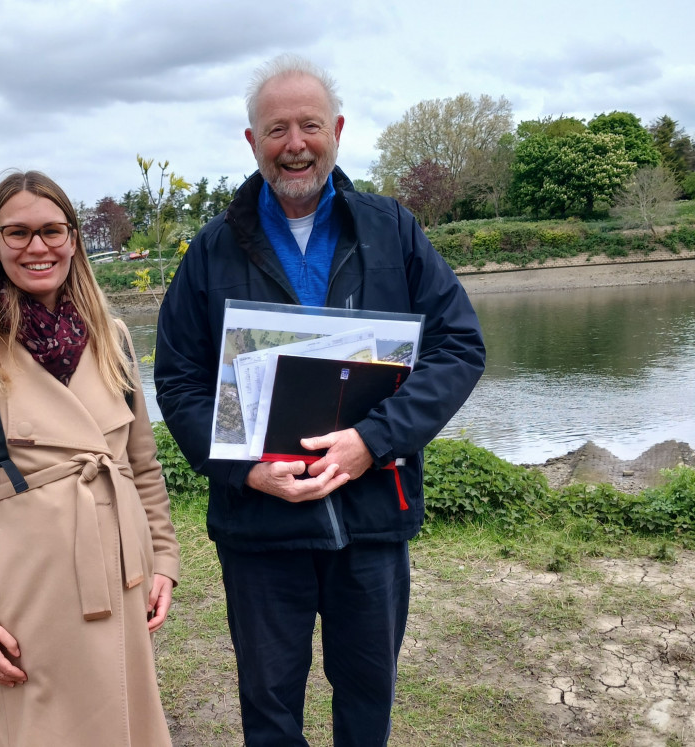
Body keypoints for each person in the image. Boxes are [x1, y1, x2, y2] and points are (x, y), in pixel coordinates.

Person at [154, 55, 486, 745]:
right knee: (269, 711)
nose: (295, 143)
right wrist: (244, 468)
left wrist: (374, 441)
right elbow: (178, 380)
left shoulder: (392, 230)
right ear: (253, 143)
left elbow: (459, 347)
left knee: (367, 704)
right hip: (259, 529)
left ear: (337, 131)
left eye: (310, 125)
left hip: (371, 518)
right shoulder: (210, 250)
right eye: (277, 129)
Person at [0, 170, 179, 746]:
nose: (38, 247)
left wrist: (163, 560)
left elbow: (143, 467)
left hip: (121, 575)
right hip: (26, 591)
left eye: (52, 230)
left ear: (74, 238)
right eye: (18, 233)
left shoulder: (113, 339)